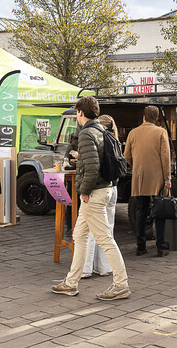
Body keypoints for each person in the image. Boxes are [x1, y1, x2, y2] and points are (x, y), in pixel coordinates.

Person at [51, 96, 130, 300]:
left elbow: (93, 168)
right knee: (80, 236)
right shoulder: (101, 130)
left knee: (104, 239)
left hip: (93, 193)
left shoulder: (87, 134)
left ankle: (121, 284)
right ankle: (71, 282)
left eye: (77, 112)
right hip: (103, 190)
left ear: (80, 113)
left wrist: (84, 190)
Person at [124, 105, 172, 257]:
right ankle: (161, 246)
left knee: (140, 210)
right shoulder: (161, 132)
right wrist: (167, 177)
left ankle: (140, 245)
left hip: (139, 175)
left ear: (144, 117)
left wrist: (136, 165)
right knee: (159, 209)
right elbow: (165, 157)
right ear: (156, 118)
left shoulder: (133, 132)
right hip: (157, 176)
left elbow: (126, 156)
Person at [82, 115, 118, 278]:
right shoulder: (114, 139)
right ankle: (104, 267)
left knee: (90, 230)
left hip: (99, 188)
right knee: (107, 228)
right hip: (113, 188)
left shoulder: (96, 137)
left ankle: (86, 268)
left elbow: (93, 166)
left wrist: (84, 190)